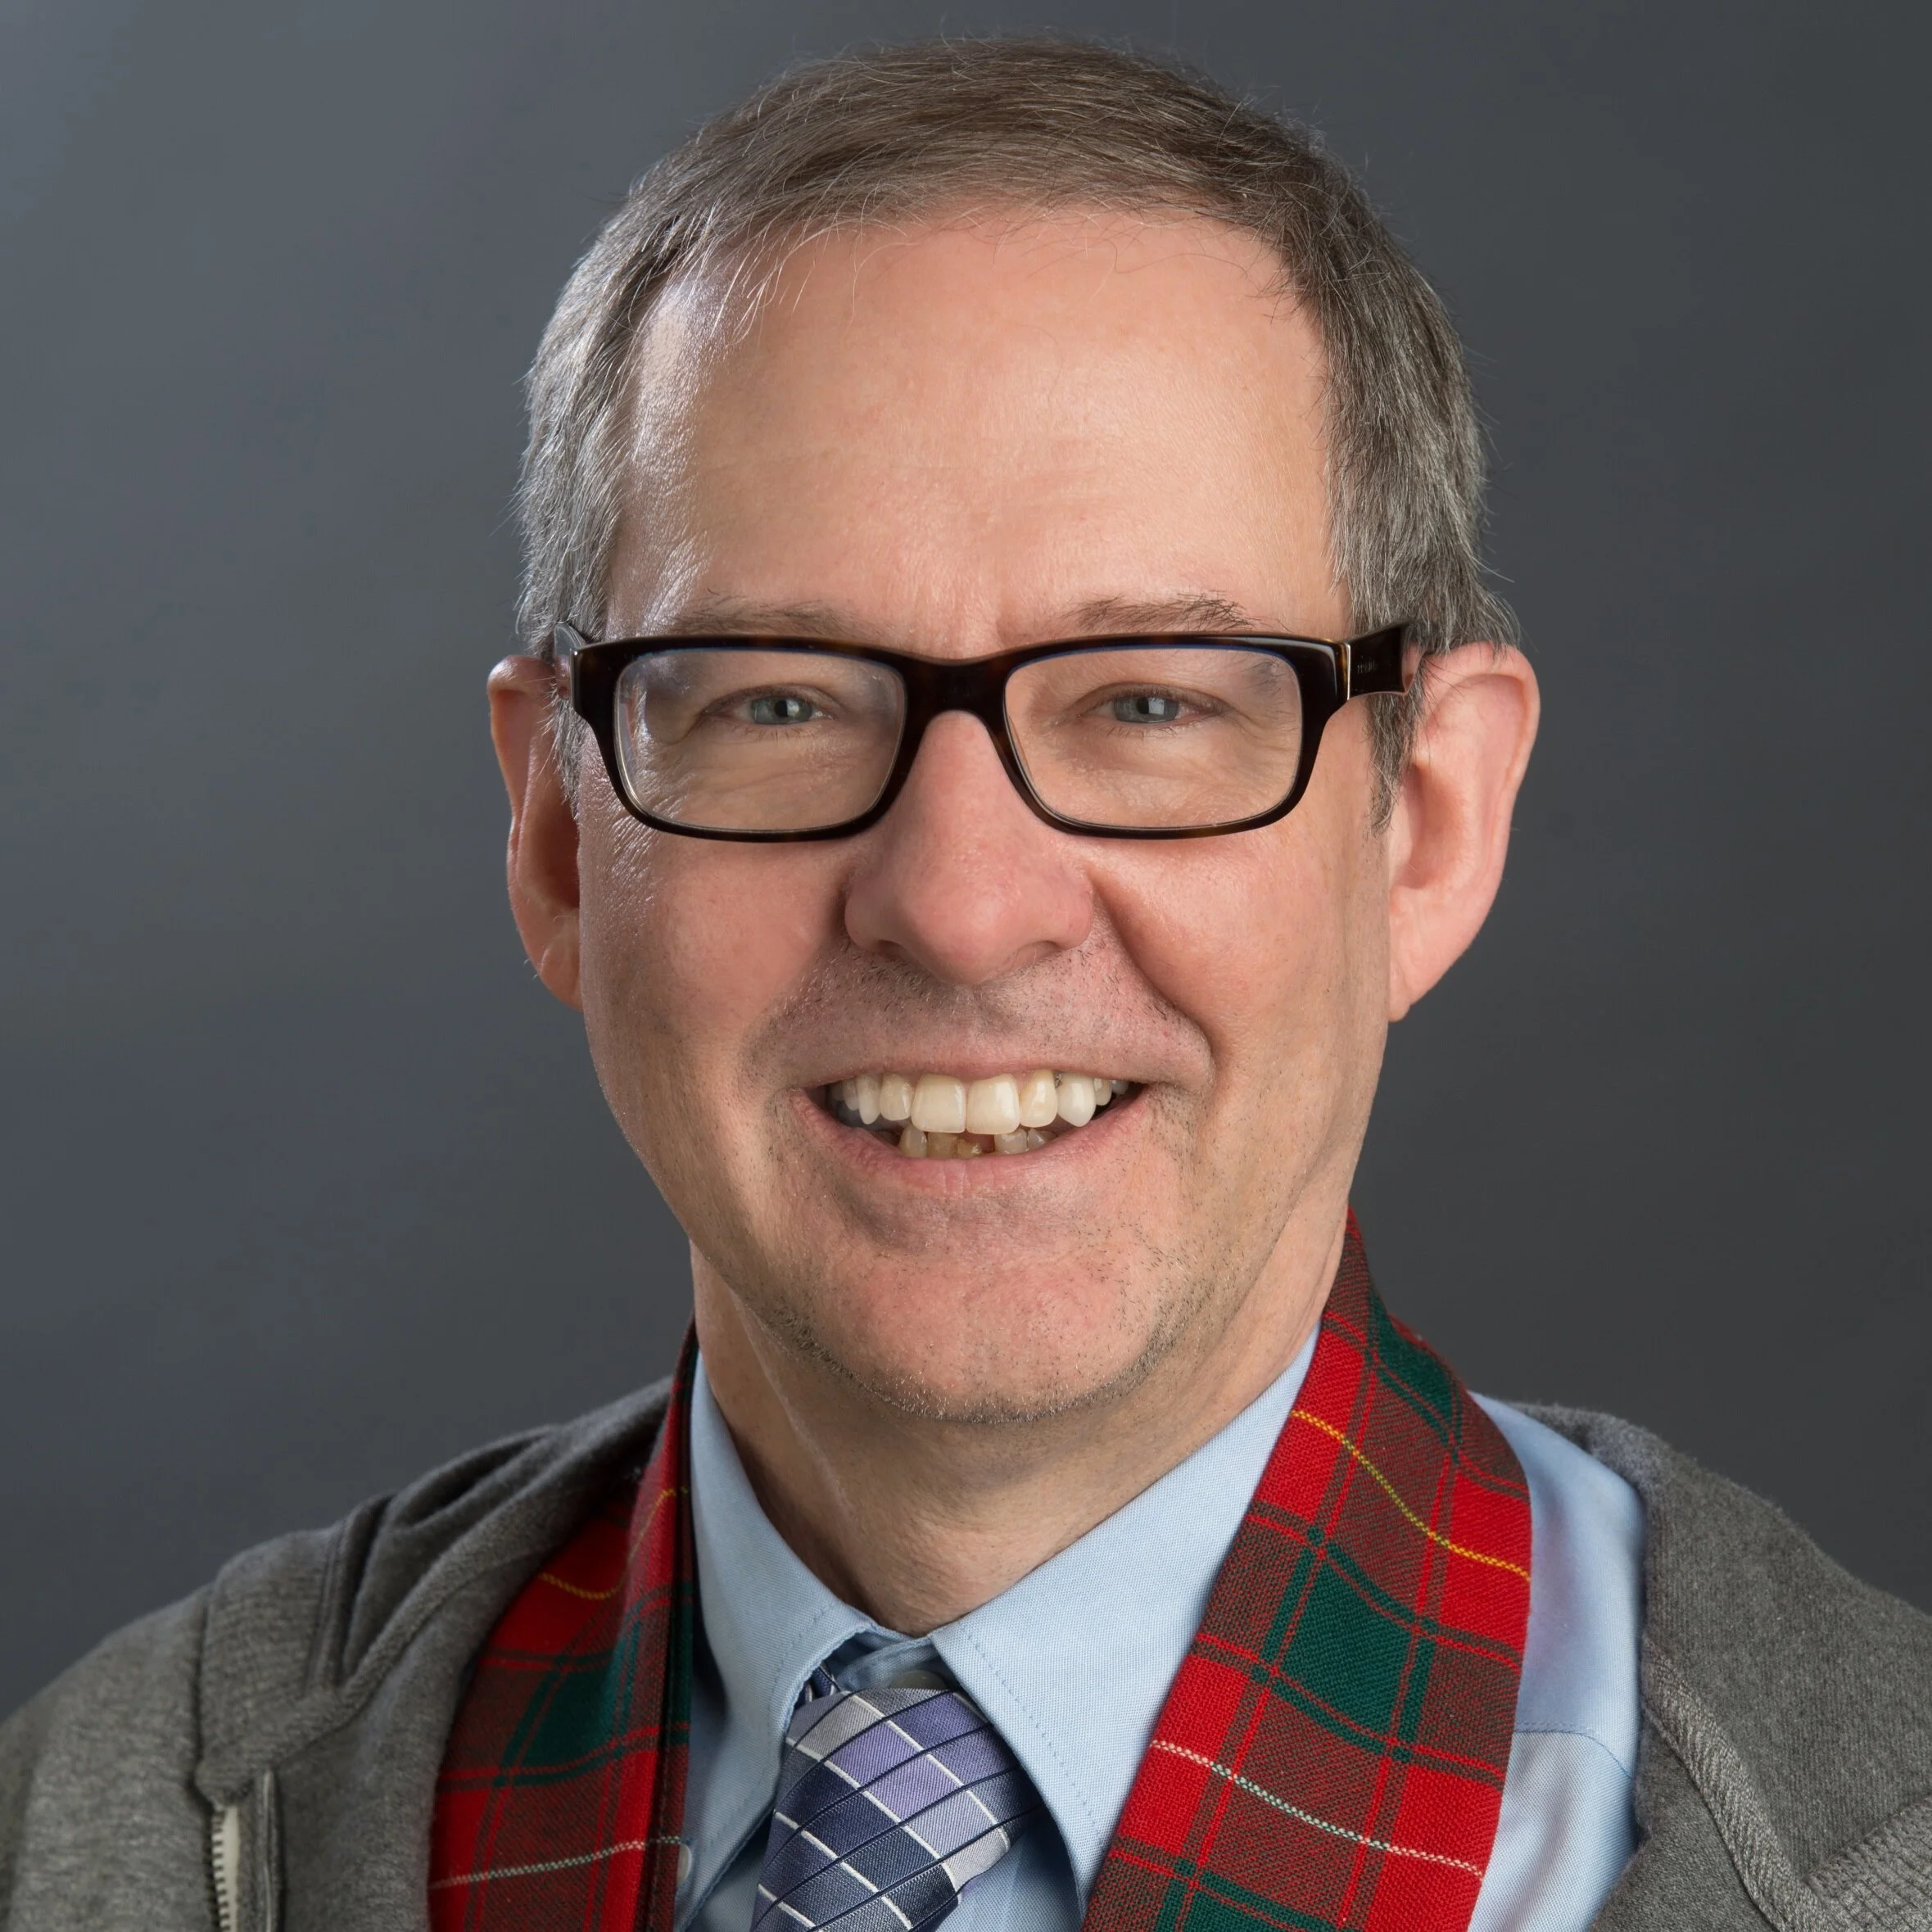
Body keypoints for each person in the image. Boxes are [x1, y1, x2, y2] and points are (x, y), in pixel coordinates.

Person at [3, 38, 1927, 1932]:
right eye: (779, 704)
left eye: (1150, 705)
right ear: (561, 835)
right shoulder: (108, 1828)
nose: (960, 904)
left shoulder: (1861, 1846)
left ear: (1425, 825)